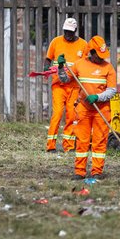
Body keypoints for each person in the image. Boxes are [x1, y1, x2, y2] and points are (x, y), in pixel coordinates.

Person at [57, 35, 117, 180]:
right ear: (91, 51)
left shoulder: (108, 68)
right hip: (83, 108)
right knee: (82, 142)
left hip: (102, 109)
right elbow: (64, 79)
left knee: (99, 142)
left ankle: (97, 171)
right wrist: (60, 67)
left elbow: (112, 90)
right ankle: (79, 172)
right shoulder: (79, 64)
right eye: (98, 54)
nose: (101, 58)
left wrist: (98, 97)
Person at [43, 18, 88, 153]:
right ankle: (51, 145)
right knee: (57, 114)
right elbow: (48, 59)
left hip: (74, 87)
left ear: (75, 31)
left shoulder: (83, 45)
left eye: (70, 32)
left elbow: (85, 64)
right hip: (58, 85)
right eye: (65, 31)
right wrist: (46, 71)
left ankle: (68, 145)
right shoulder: (56, 42)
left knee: (71, 115)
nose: (67, 34)